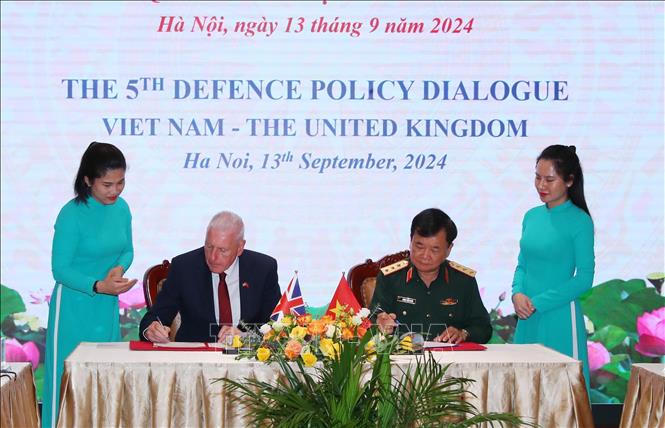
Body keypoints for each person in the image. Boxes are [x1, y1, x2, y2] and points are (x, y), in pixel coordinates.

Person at [42, 142, 137, 428]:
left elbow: (127, 250)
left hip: (105, 307)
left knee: (105, 381)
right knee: (68, 387)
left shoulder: (122, 209)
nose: (115, 191)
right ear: (87, 180)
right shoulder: (71, 214)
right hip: (72, 309)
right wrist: (98, 285)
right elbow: (60, 270)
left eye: (120, 183)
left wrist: (119, 268)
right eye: (107, 184)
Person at [511, 145, 594, 387]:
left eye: (549, 179)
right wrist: (517, 293)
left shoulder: (580, 221)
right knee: (524, 386)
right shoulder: (531, 216)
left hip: (559, 315)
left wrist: (538, 303)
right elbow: (522, 264)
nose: (541, 185)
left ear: (569, 181)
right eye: (537, 177)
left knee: (561, 390)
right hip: (527, 314)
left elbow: (584, 278)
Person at [140, 211, 281, 343]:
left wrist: (245, 337)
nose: (213, 257)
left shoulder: (263, 269)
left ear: (240, 247)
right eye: (209, 247)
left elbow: (276, 325)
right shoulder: (184, 267)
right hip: (194, 356)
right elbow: (155, 317)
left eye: (222, 250)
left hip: (246, 356)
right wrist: (151, 331)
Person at [371, 208, 492, 343]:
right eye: (419, 246)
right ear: (410, 242)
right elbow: (372, 321)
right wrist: (379, 323)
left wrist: (463, 333)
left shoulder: (463, 281)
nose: (425, 255)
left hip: (450, 356)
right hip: (403, 355)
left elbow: (483, 328)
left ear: (449, 249)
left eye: (435, 249)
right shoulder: (390, 278)